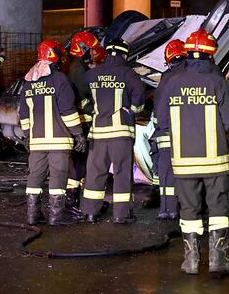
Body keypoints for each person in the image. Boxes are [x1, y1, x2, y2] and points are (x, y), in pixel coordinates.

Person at [156, 29, 229, 274]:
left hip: (183, 161)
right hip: (215, 160)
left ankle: (191, 260)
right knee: (218, 208)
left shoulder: (172, 83)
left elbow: (161, 120)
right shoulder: (218, 82)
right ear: (210, 55)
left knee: (189, 208)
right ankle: (218, 259)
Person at [18, 40, 87, 225]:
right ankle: (56, 216)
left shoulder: (28, 83)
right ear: (55, 56)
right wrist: (78, 134)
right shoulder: (59, 79)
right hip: (58, 140)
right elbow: (68, 110)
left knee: (36, 175)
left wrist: (27, 135)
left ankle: (33, 215)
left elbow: (23, 113)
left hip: (36, 141)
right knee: (58, 175)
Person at [80, 38, 145, 224]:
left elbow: (79, 95)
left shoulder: (92, 74)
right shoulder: (128, 73)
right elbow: (139, 97)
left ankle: (90, 212)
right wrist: (132, 110)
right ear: (124, 54)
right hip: (120, 134)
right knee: (122, 173)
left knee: (95, 173)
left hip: (98, 134)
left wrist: (90, 109)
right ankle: (121, 215)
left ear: (108, 53)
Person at [65, 31, 106, 216]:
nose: (92, 53)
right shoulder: (77, 69)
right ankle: (72, 202)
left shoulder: (75, 66)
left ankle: (74, 201)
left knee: (80, 163)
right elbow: (87, 91)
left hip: (79, 121)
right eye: (90, 49)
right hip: (81, 122)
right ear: (82, 49)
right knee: (80, 163)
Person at [152, 39, 188, 220]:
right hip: (189, 133)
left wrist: (161, 127)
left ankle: (167, 208)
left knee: (166, 171)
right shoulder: (192, 74)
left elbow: (159, 106)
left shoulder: (167, 77)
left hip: (167, 132)